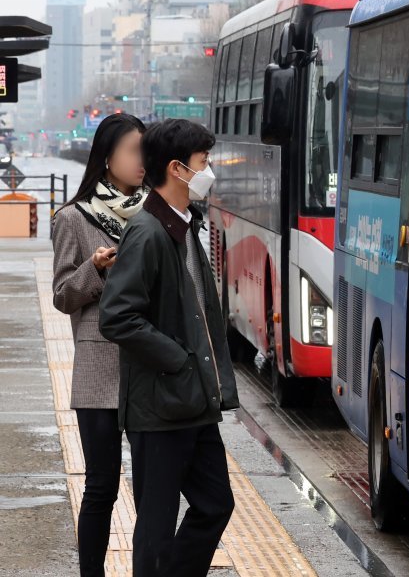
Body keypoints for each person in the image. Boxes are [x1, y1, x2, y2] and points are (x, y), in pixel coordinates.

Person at [98, 119, 240, 577]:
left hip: (193, 402)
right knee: (156, 528)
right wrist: (178, 359)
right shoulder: (148, 232)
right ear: (178, 169)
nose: (210, 170)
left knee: (216, 503)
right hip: (160, 407)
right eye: (204, 162)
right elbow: (117, 316)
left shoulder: (185, 225)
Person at [51, 113, 147, 577]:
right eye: (133, 151)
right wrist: (95, 268)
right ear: (107, 157)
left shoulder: (155, 215)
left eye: (145, 151)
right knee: (101, 485)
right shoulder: (73, 218)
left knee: (153, 487)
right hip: (99, 369)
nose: (141, 161)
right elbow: (63, 296)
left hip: (150, 368)